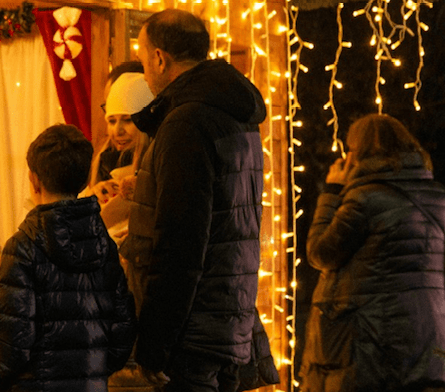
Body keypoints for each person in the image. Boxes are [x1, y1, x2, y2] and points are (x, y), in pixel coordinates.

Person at [120, 9, 267, 392]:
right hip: (228, 320)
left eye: (142, 57)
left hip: (191, 334)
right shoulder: (236, 115)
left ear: (159, 58)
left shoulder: (186, 122)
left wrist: (153, 346)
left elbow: (180, 241)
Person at [0, 124, 137, 392]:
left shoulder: (23, 246)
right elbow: (122, 333)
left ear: (34, 179)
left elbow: (10, 346)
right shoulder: (104, 244)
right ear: (85, 180)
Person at [301, 114, 445, 392]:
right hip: (429, 335)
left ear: (359, 153)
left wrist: (331, 191)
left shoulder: (365, 198)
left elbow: (320, 254)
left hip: (372, 337)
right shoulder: (438, 196)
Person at [85, 65, 152, 206]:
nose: (117, 131)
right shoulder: (101, 163)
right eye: (111, 120)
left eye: (127, 120)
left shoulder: (155, 171)